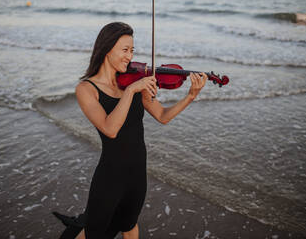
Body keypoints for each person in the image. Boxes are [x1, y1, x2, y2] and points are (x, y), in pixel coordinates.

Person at [53, 21, 207, 239]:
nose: (130, 56)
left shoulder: (133, 81)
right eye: (125, 50)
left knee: (129, 225)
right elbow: (110, 129)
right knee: (94, 233)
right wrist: (132, 90)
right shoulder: (87, 89)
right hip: (110, 176)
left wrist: (190, 96)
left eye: (132, 50)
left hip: (137, 173)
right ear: (106, 49)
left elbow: (162, 116)